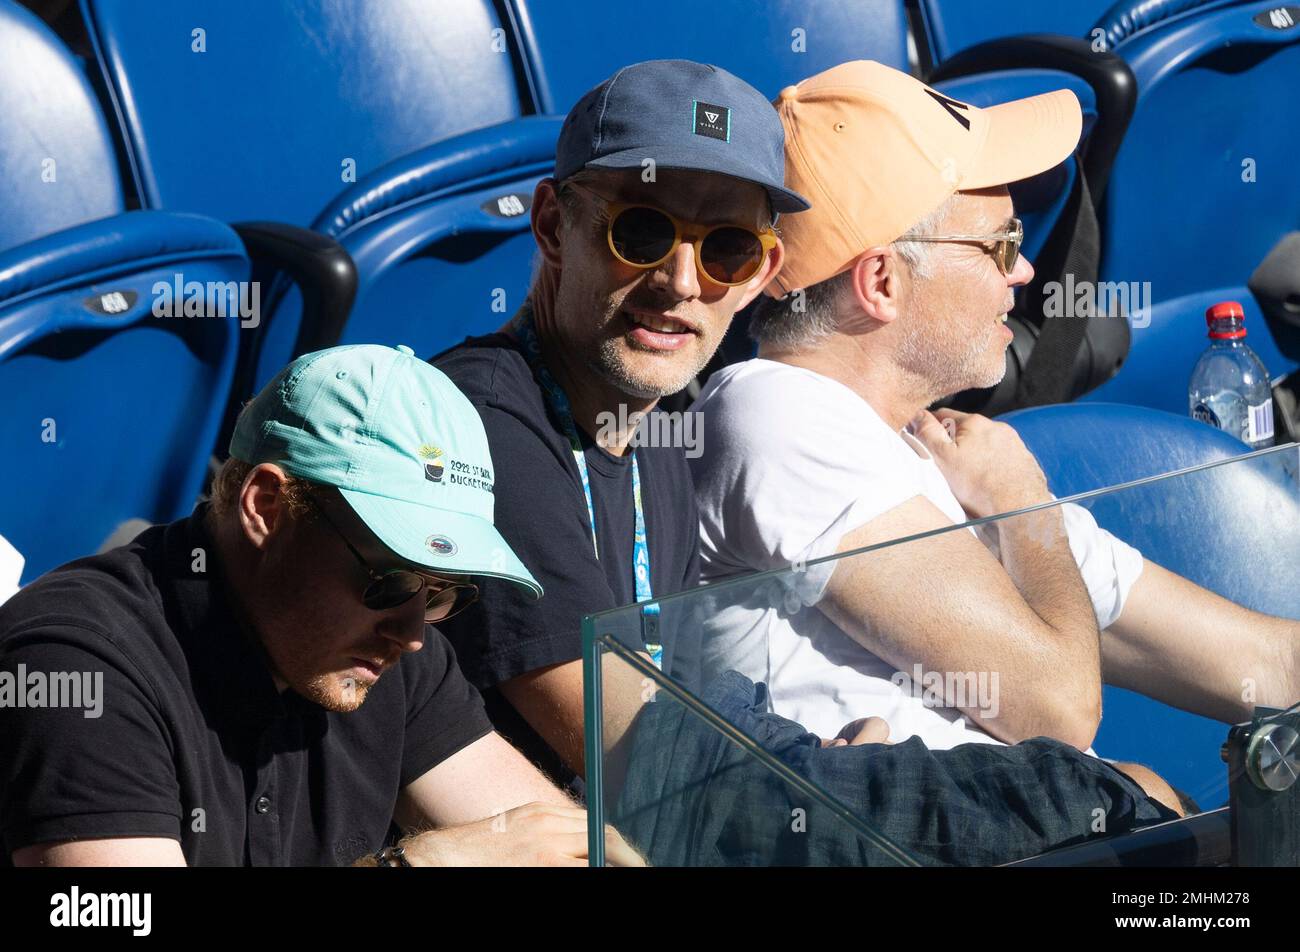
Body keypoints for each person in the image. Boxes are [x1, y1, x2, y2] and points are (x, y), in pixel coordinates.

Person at [689, 61, 1298, 786]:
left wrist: (1018, 508)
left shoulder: (944, 456)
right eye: (1001, 245)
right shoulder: (772, 410)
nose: (1027, 273)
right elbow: (1058, 710)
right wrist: (1023, 506)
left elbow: (1265, 665)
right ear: (882, 281)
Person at [0, 344, 640, 866]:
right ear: (266, 507)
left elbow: (557, 852)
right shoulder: (77, 667)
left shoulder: (385, 648)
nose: (414, 631)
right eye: (389, 577)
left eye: (441, 590)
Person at [432, 59, 804, 785]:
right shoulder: (479, 428)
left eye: (728, 247)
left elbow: (692, 700)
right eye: (641, 232)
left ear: (763, 272)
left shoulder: (657, 422)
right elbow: (636, 759)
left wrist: (813, 753)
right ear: (550, 226)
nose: (682, 283)